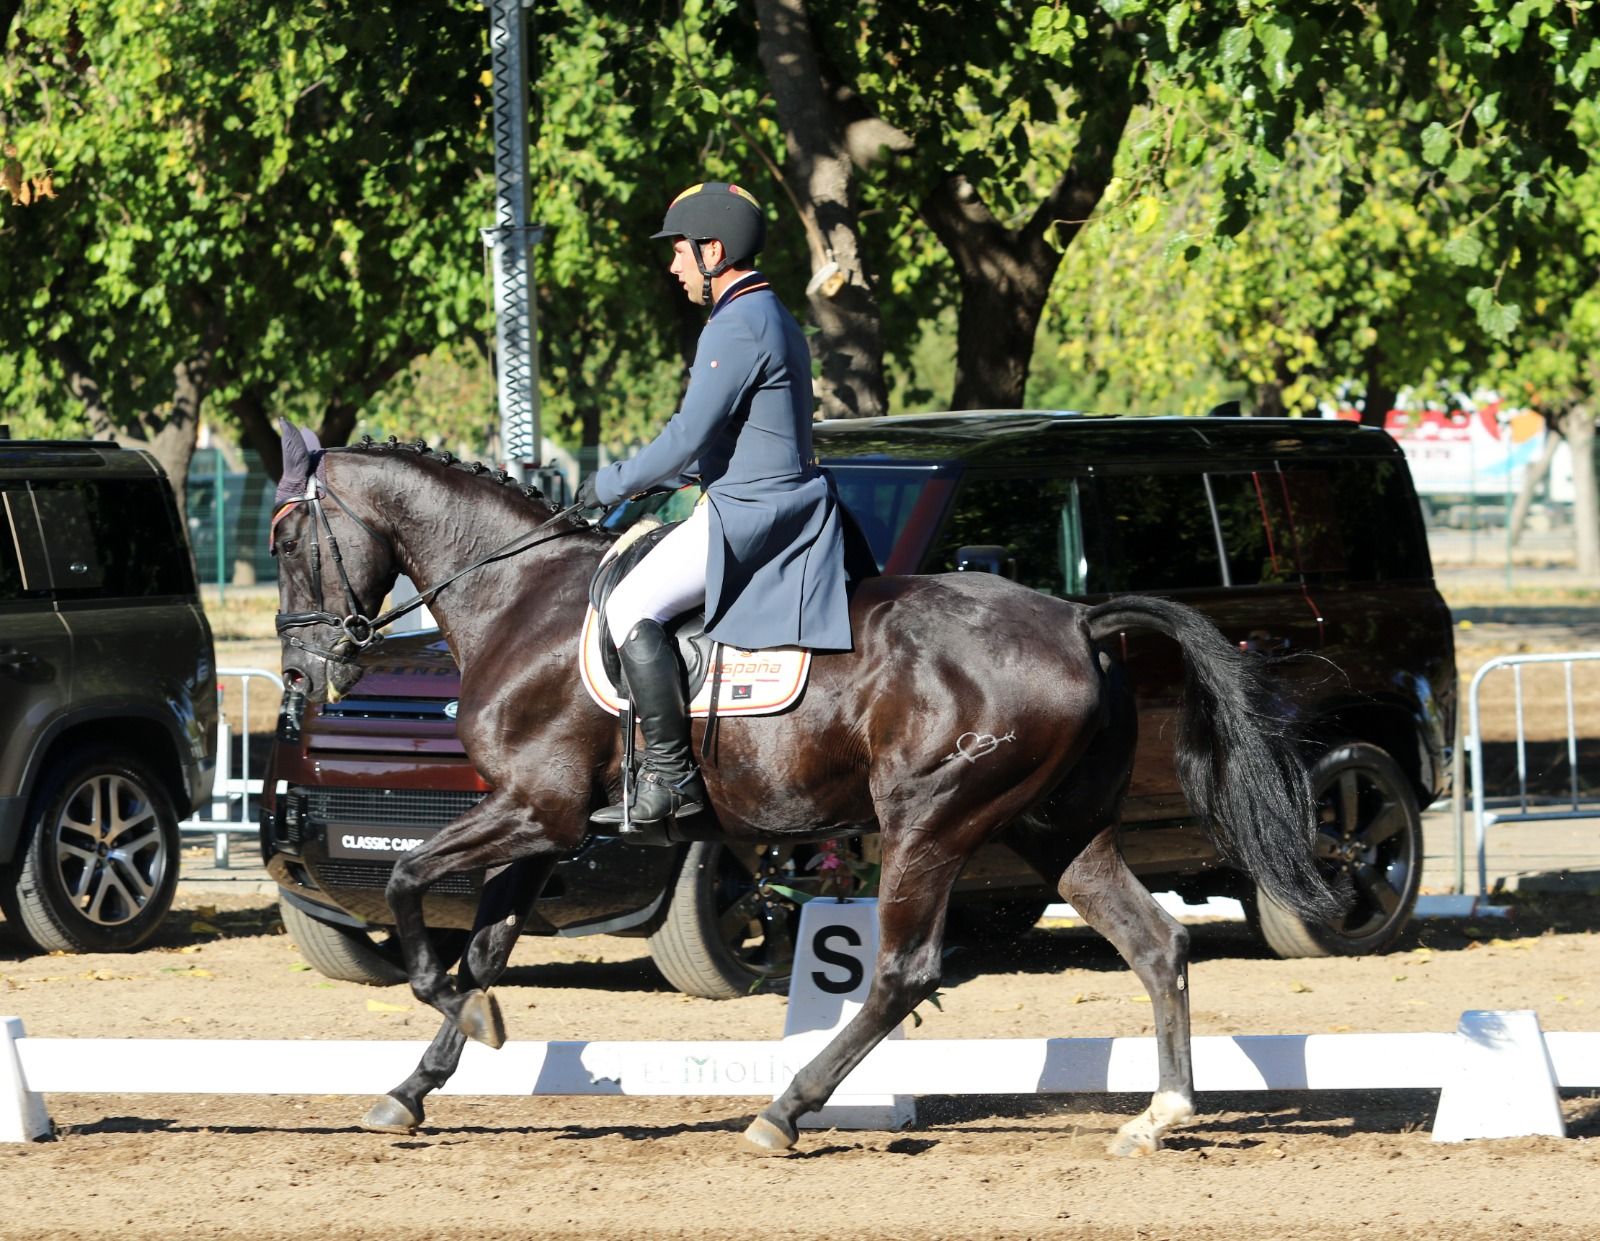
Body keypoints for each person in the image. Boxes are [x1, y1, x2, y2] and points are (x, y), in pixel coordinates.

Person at [576, 181, 858, 831]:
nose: (673, 265)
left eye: (680, 250)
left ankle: (672, 776)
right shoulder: (766, 312)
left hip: (751, 513)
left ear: (714, 250)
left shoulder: (737, 323)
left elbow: (686, 436)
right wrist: (656, 483)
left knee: (627, 604)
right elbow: (732, 438)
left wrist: (611, 483)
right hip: (767, 497)